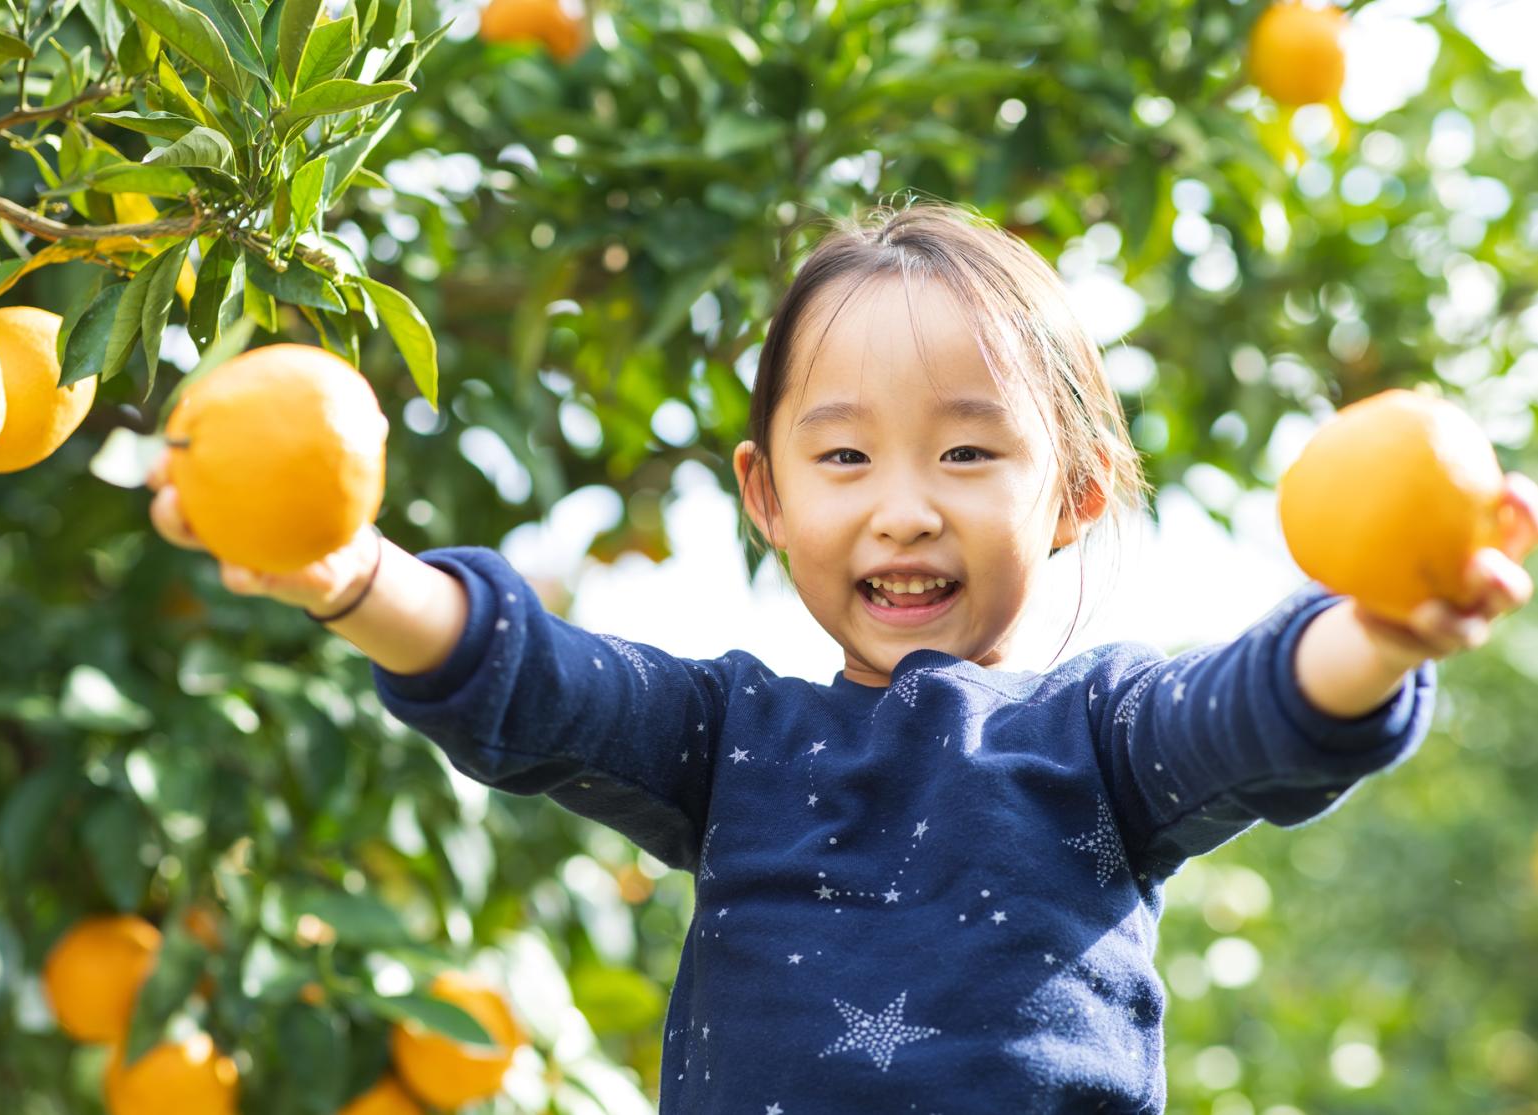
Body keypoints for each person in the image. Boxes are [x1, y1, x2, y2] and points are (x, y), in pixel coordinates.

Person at [148, 199, 1538, 1113]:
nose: (903, 503)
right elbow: (541, 686)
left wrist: (1375, 629)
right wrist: (353, 575)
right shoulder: (729, 743)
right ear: (767, 495)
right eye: (845, 454)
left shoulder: (1097, 744)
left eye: (968, 450)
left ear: (1073, 496)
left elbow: (1252, 714)